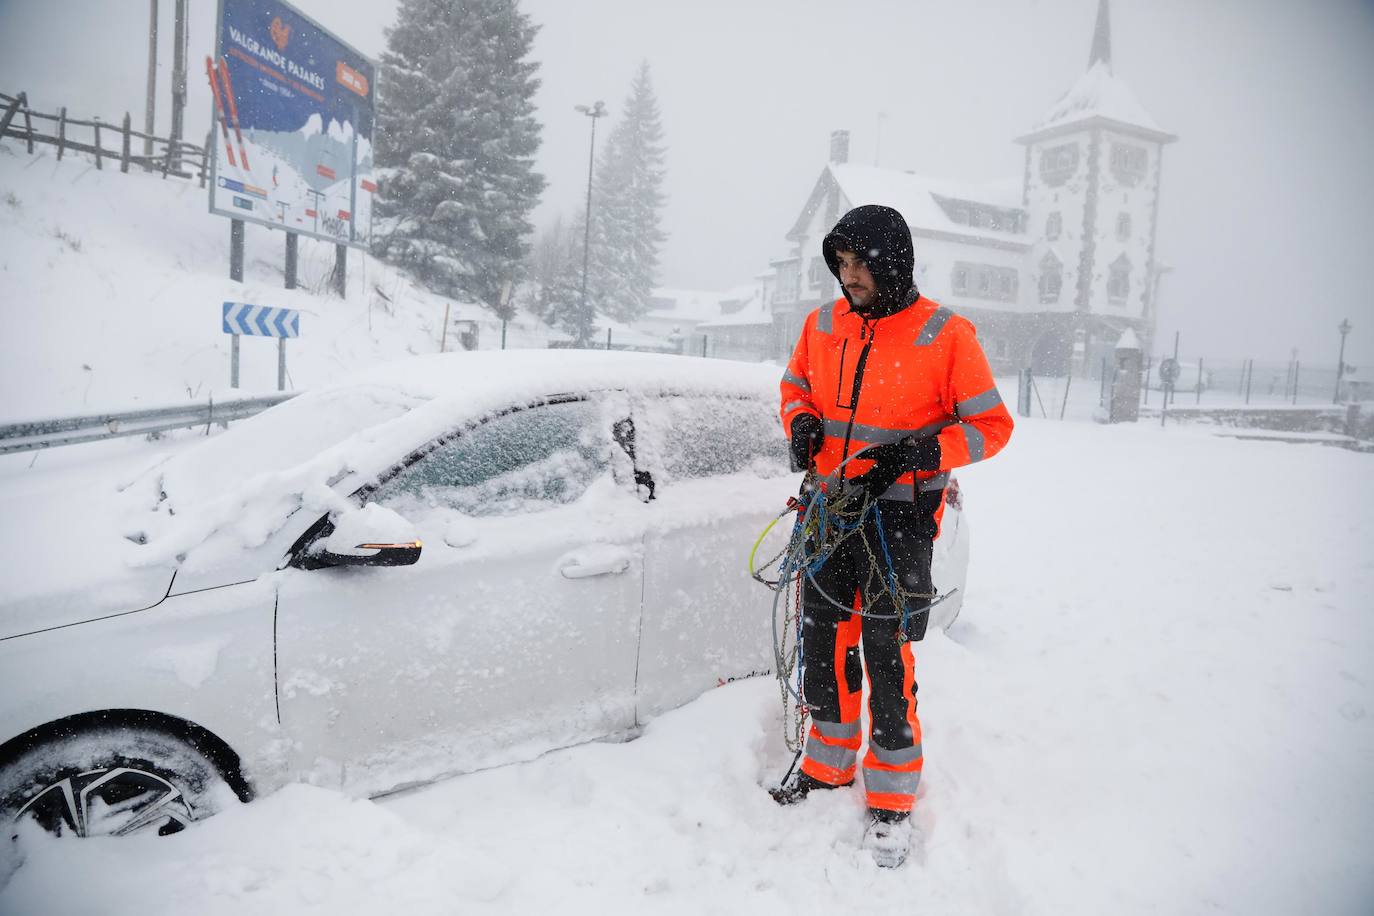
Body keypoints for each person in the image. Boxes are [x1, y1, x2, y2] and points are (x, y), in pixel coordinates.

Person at [772, 204, 1014, 867]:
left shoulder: (946, 333)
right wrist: (800, 423)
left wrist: (921, 454)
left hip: (900, 520)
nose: (848, 278)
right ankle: (826, 765)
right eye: (840, 265)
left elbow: (992, 426)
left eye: (859, 265)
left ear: (891, 263)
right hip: (829, 505)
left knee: (885, 648)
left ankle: (893, 799)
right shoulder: (822, 325)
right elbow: (795, 386)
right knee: (822, 639)